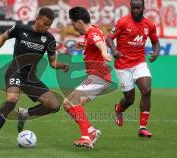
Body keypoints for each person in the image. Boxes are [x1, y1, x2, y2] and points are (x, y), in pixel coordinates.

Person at [0, 7, 69, 146]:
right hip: (14, 72)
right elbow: (3, 37)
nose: (46, 27)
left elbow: (53, 63)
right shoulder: (19, 28)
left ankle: (25, 114)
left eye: (49, 25)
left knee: (54, 105)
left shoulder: (49, 38)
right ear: (37, 18)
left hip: (31, 78)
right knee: (12, 98)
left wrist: (63, 65)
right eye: (44, 23)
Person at [106, 0, 160, 138]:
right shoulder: (123, 22)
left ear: (143, 8)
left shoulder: (149, 24)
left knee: (146, 90)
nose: (135, 10)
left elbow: (155, 42)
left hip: (139, 63)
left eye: (138, 8)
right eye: (133, 8)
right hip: (123, 65)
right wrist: (114, 50)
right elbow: (109, 38)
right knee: (129, 99)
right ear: (130, 8)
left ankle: (142, 127)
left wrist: (156, 52)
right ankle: (118, 109)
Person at [62, 7, 113, 149]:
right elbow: (96, 41)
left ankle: (86, 137)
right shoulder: (93, 32)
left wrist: (103, 52)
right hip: (97, 77)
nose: (72, 27)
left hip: (99, 77)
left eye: (73, 23)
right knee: (67, 103)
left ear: (79, 22)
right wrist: (85, 46)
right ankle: (91, 131)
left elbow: (100, 43)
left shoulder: (92, 33)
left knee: (74, 100)